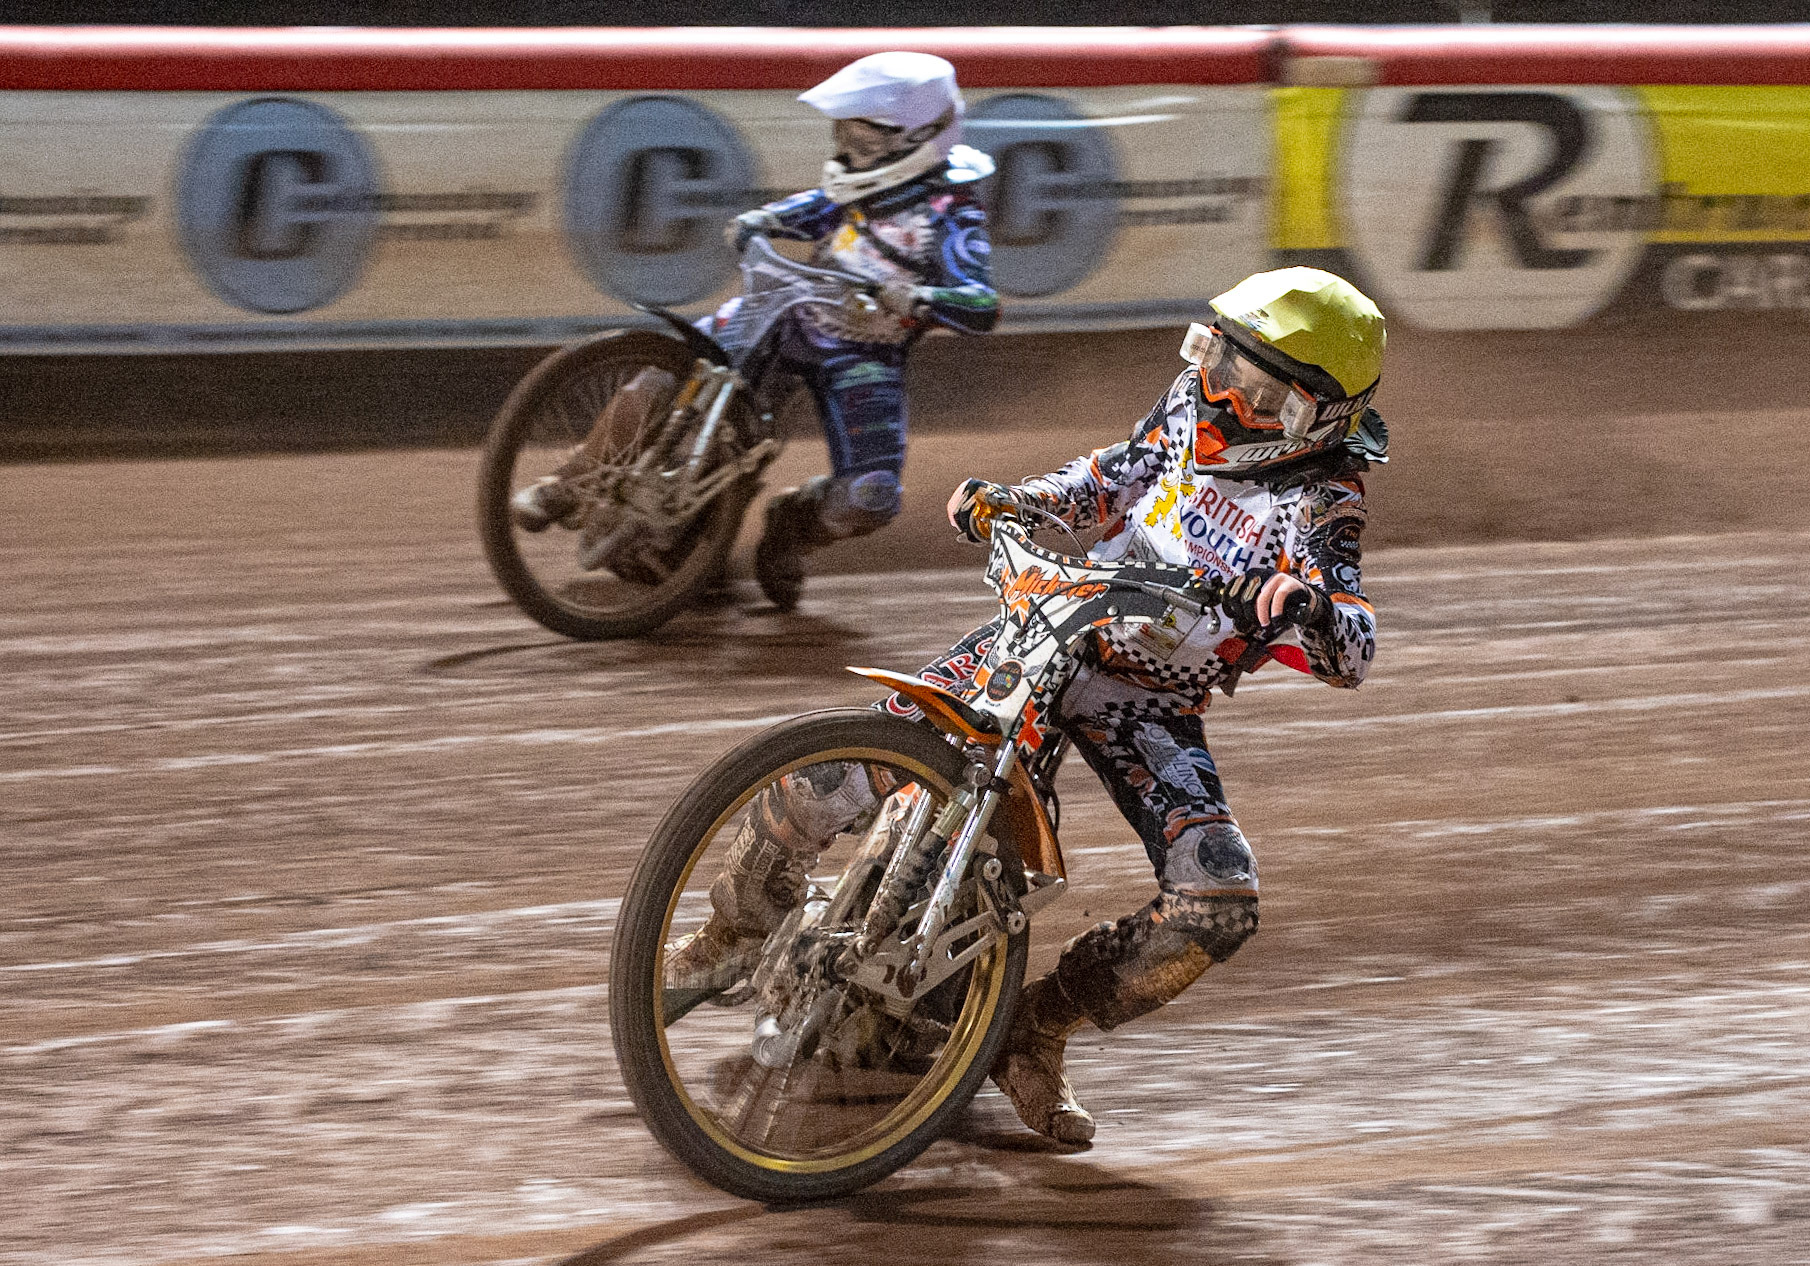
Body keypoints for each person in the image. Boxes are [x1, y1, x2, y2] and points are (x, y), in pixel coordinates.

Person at [667, 266, 1388, 1146]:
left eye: (1254, 385)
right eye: (1217, 357)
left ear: (1311, 413)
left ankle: (1028, 1033)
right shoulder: (1189, 403)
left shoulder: (1323, 499)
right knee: (836, 770)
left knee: (1218, 898)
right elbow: (1111, 477)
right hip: (1050, 625)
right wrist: (1018, 499)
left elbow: (1351, 644)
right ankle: (731, 933)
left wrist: (1306, 605)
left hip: (1148, 701)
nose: (1221, 390)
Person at [513, 51, 999, 613]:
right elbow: (821, 205)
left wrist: (918, 296)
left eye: (866, 142)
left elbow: (981, 304)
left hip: (865, 352)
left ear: (921, 138)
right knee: (675, 371)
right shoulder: (858, 186)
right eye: (846, 136)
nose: (849, 152)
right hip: (785, 311)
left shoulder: (953, 212)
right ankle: (570, 483)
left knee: (870, 498)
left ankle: (789, 527)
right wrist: (761, 220)